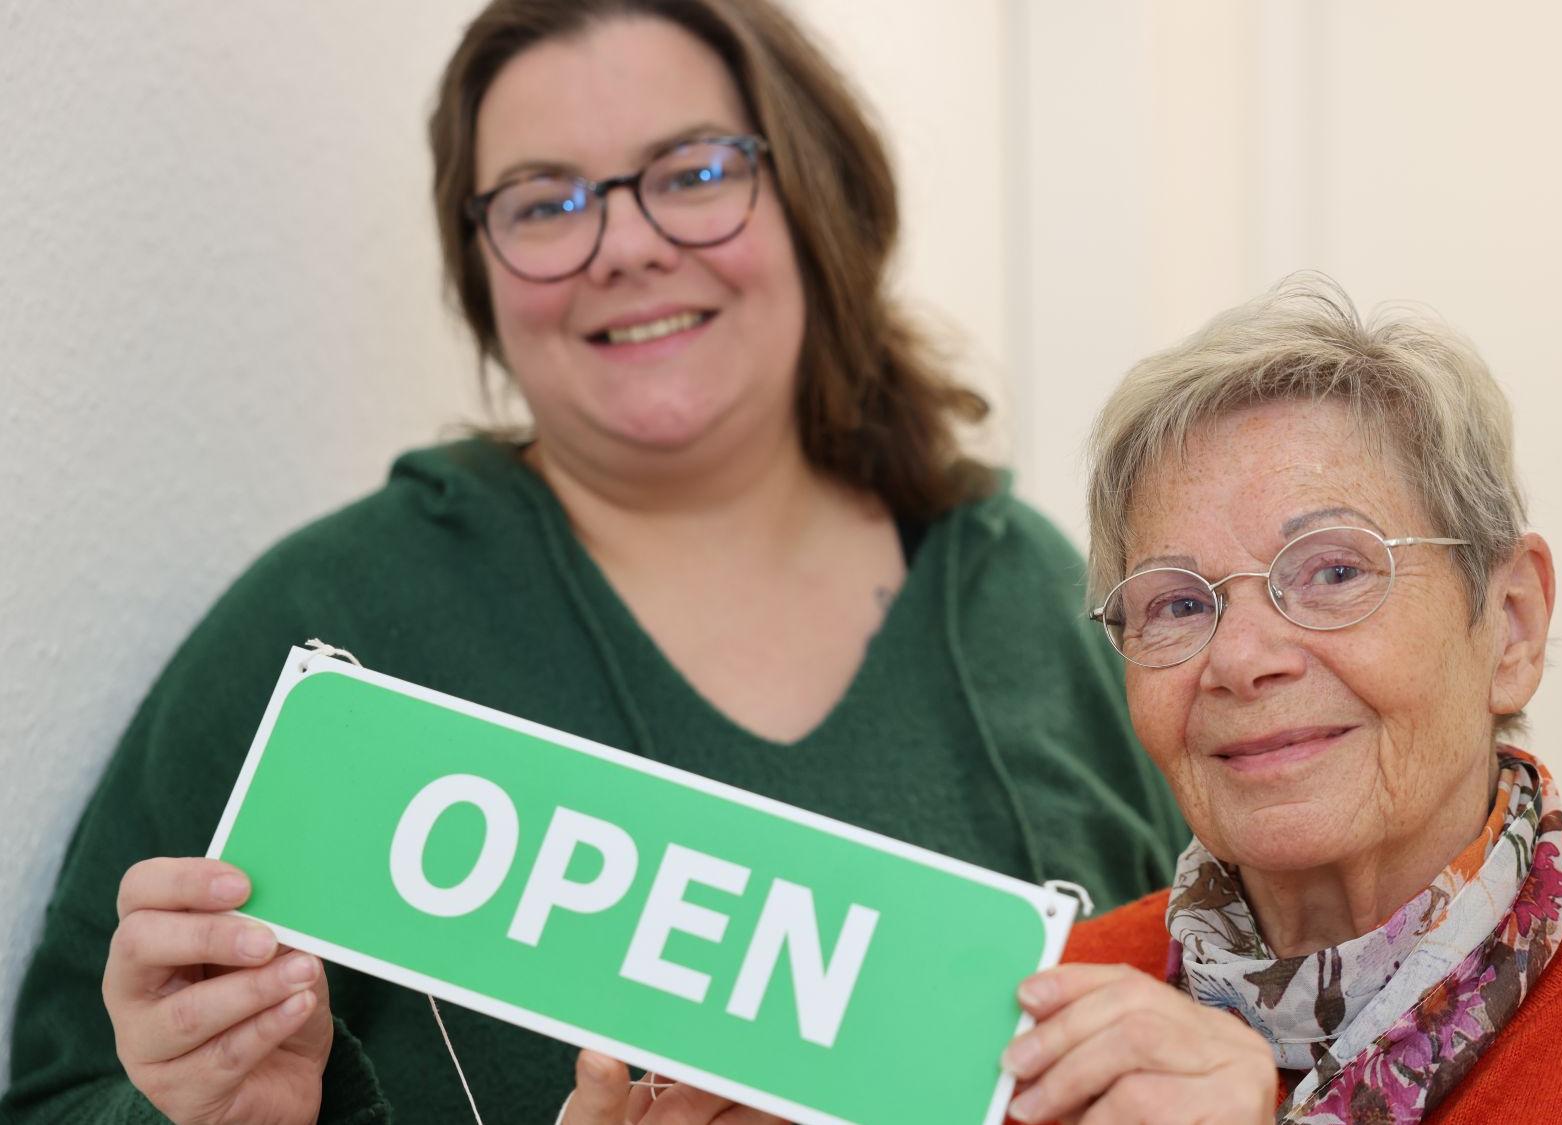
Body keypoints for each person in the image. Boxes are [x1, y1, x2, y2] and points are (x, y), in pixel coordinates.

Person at [0, 2, 1183, 1122]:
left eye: (695, 173)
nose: (623, 244)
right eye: (543, 203)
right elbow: (65, 1096)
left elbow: (1251, 1001)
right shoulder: (334, 625)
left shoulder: (1038, 599)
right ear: (480, 273)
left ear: (817, 200)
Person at [1000, 274, 1562, 1123]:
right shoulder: (1029, 1018)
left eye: (1335, 571)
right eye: (1179, 602)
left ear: (1511, 625)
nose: (1241, 659)